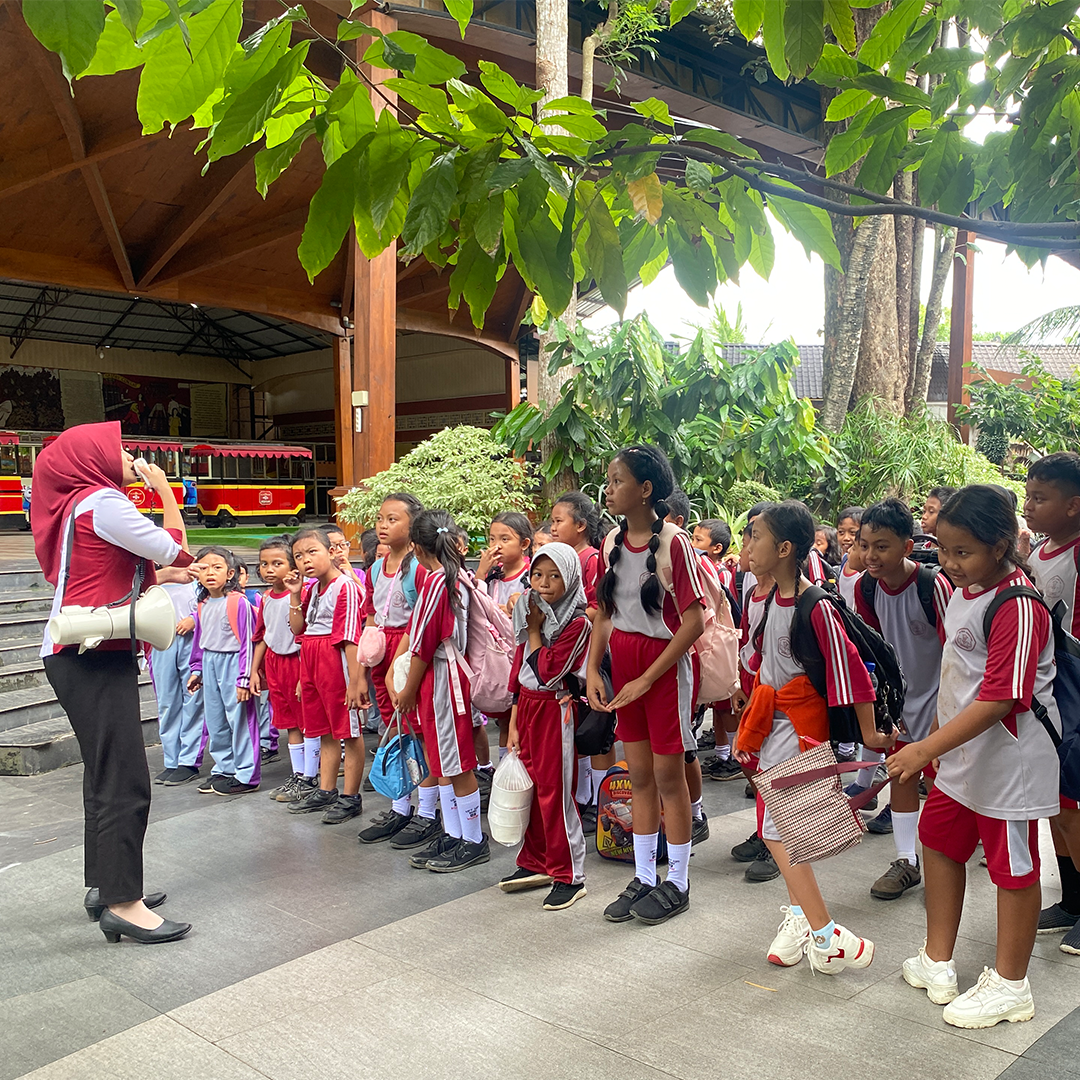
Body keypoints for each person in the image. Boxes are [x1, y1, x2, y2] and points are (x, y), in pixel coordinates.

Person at [891, 485, 1060, 1028]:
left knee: (1013, 866)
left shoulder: (1018, 605)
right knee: (939, 841)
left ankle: (1011, 985)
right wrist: (935, 740)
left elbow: (1001, 698)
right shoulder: (964, 592)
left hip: (1010, 761)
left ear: (1000, 546)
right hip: (961, 755)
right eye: (944, 549)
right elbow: (958, 678)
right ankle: (936, 959)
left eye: (962, 552)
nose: (949, 562)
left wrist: (926, 747)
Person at [34, 421, 193, 944]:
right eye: (118, 448)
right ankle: (124, 903)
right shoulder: (103, 501)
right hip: (94, 656)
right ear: (93, 458)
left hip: (76, 653)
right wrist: (165, 491)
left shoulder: (77, 505)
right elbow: (177, 549)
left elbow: (108, 568)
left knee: (103, 775)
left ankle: (106, 886)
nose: (128, 455)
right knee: (124, 777)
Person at [736, 500, 891, 973]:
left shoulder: (815, 605)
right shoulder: (763, 598)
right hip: (771, 725)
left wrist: (871, 732)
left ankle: (825, 933)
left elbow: (852, 671)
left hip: (798, 728)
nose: (748, 545)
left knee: (778, 832)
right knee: (780, 830)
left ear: (784, 548)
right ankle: (806, 923)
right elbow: (758, 659)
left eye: (756, 536)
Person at [587, 445, 705, 925]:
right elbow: (605, 614)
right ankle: (642, 876)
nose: (609, 490)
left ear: (646, 489)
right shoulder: (612, 541)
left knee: (668, 778)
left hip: (664, 668)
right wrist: (594, 670)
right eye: (609, 481)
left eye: (617, 481)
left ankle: (678, 880)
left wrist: (646, 679)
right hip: (626, 664)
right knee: (637, 777)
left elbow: (694, 622)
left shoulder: (675, 543)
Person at [855, 497, 953, 900]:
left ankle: (948, 862)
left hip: (943, 703)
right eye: (864, 545)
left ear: (907, 547)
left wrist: (944, 713)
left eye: (882, 546)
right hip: (900, 705)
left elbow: (955, 652)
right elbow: (874, 649)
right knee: (901, 775)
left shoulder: (933, 586)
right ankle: (906, 861)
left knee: (944, 786)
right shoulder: (865, 588)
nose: (870, 555)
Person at [391, 509, 490, 873]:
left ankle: (473, 840)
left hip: (443, 680)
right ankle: (455, 832)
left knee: (455, 763)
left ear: (416, 547)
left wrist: (407, 690)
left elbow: (423, 645)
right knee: (443, 760)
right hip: (446, 677)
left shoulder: (438, 582)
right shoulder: (455, 576)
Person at [503, 543, 592, 909]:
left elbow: (548, 670)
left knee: (555, 792)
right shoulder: (531, 611)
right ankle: (537, 861)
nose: (544, 583)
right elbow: (520, 667)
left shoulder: (577, 622)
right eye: (538, 575)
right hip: (527, 707)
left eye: (555, 576)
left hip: (556, 709)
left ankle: (569, 874)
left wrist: (536, 629)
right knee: (532, 788)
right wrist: (513, 720)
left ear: (570, 578)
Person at [357, 494, 439, 847]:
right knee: (394, 731)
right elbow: (371, 615)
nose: (383, 525)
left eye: (393, 519)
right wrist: (364, 667)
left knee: (419, 733)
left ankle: (428, 813)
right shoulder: (376, 568)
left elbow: (422, 620)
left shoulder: (419, 568)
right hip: (382, 654)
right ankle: (400, 807)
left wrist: (397, 665)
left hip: (409, 655)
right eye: (380, 518)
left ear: (413, 524)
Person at [1023, 452, 1080, 954]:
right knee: (1054, 798)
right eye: (1028, 496)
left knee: (1071, 802)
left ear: (1073, 505)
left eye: (1040, 498)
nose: (1028, 506)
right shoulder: (1040, 551)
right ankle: (1072, 898)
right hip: (1047, 693)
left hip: (1074, 690)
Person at [285, 528, 367, 823]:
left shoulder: (345, 587)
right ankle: (326, 789)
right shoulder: (311, 590)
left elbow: (350, 639)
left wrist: (356, 682)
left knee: (348, 730)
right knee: (324, 729)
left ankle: (350, 796)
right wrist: (295, 594)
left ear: (331, 552)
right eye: (298, 556)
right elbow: (298, 629)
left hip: (335, 660)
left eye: (312, 552)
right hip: (311, 659)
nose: (305, 560)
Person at [187, 547, 261, 796]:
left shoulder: (238, 602)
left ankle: (247, 775)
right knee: (215, 719)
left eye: (217, 567)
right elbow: (200, 639)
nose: (210, 573)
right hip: (211, 662)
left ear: (230, 573)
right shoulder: (203, 603)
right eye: (204, 568)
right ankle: (224, 768)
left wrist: (244, 678)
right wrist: (197, 669)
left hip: (234, 663)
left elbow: (248, 642)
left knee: (240, 718)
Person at [549, 491, 605, 820]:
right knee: (576, 726)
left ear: (581, 525)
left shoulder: (591, 559)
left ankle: (600, 799)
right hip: (566, 656)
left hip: (587, 656)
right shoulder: (560, 559)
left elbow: (599, 608)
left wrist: (565, 623)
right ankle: (583, 794)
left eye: (559, 521)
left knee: (595, 727)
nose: (553, 527)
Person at [252, 536, 319, 804]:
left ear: (292, 566)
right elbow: (263, 636)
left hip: (297, 662)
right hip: (275, 663)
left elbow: (304, 634)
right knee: (289, 722)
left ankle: (311, 776)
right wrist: (254, 670)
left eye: (277, 563)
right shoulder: (266, 598)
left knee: (307, 721)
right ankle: (298, 774)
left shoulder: (302, 594)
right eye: (264, 564)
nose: (269, 569)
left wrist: (305, 675)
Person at [477, 510, 533, 759]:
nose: (496, 545)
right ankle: (504, 768)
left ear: (524, 544)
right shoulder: (492, 576)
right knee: (503, 718)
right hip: (496, 656)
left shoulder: (531, 575)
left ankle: (520, 765)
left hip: (522, 653)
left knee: (519, 716)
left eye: (504, 539)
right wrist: (480, 573)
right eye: (492, 539)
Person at [149, 568, 204, 787]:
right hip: (160, 643)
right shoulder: (148, 576)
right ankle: (172, 760)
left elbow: (215, 602)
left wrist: (195, 618)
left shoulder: (195, 577)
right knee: (166, 702)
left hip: (191, 640)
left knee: (193, 700)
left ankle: (188, 761)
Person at [238, 561, 277, 764]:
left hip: (269, 657)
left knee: (268, 703)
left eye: (241, 574)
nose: (237, 579)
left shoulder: (256, 598)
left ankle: (268, 741)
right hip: (252, 658)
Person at [836, 523, 865, 609]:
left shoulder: (869, 579)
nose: (846, 538)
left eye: (852, 532)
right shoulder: (845, 559)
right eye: (841, 532)